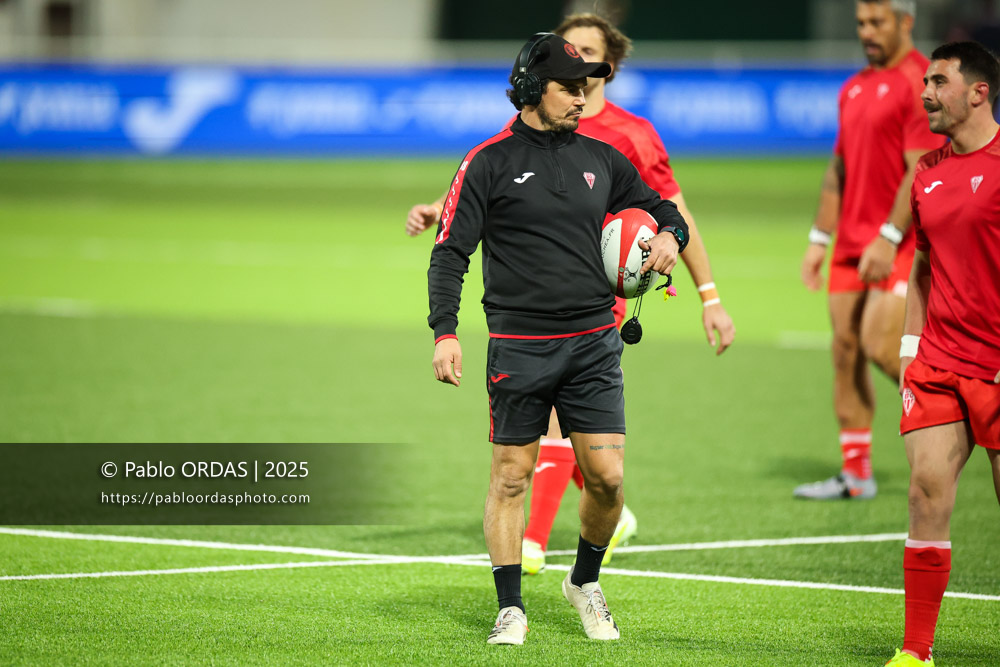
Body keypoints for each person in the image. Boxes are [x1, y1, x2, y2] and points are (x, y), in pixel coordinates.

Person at [410, 13, 735, 574]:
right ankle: (525, 564)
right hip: (523, 331)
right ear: (535, 84)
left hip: (594, 324)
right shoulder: (496, 155)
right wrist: (445, 324)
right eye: (570, 72)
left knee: (600, 466)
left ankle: (570, 563)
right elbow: (471, 218)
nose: (581, 90)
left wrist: (700, 283)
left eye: (588, 69)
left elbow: (672, 211)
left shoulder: (620, 145)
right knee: (526, 463)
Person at [795, 0, 946, 500]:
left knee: (884, 347)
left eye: (877, 21)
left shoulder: (923, 82)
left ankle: (960, 424)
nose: (867, 31)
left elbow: (919, 168)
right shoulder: (854, 87)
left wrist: (889, 235)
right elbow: (838, 168)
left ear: (906, 21)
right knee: (844, 351)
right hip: (849, 246)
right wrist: (820, 238)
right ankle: (856, 473)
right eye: (861, 23)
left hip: (899, 241)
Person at [885, 41, 1000, 667]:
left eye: (939, 81)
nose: (925, 92)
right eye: (925, 80)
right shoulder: (927, 170)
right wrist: (909, 347)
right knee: (926, 492)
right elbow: (924, 264)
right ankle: (916, 649)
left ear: (978, 91)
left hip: (998, 366)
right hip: (938, 363)